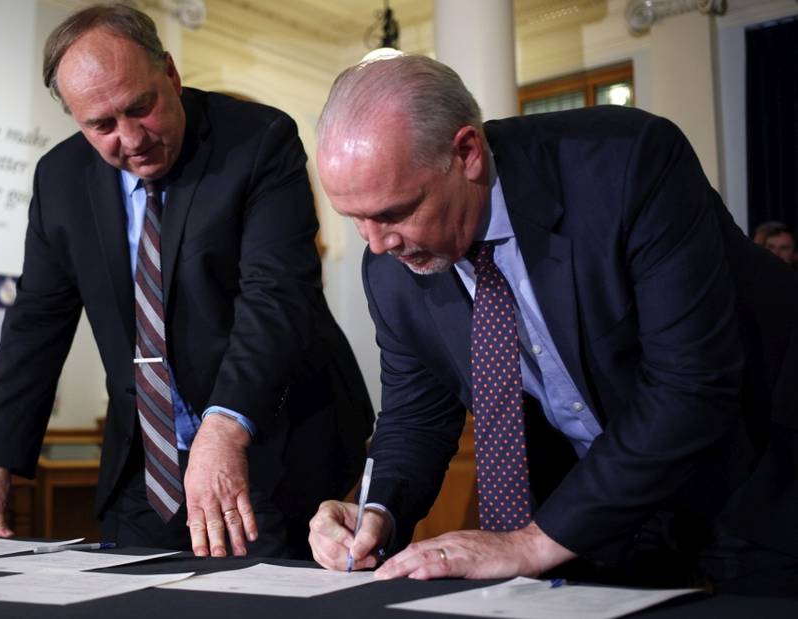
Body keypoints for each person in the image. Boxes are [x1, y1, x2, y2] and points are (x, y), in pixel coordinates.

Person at [307, 53, 798, 595]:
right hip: (599, 517)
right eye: (355, 218)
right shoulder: (390, 270)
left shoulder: (627, 164)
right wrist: (375, 511)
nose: (377, 244)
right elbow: (416, 417)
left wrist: (531, 543)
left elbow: (691, 384)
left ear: (466, 154)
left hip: (759, 474)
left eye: (393, 212)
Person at [0, 3, 373, 560]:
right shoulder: (60, 180)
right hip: (147, 463)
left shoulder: (257, 140)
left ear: (170, 73)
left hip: (275, 444)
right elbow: (36, 324)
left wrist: (225, 427)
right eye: (102, 126)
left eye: (140, 107)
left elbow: (276, 297)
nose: (130, 139)